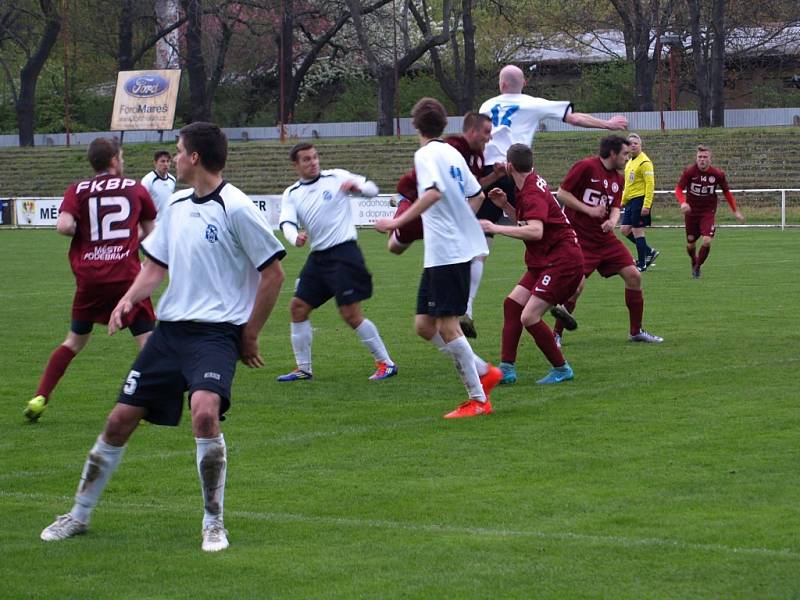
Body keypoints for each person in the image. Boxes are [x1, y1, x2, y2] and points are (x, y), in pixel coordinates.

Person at [39, 122, 286, 552]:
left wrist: (250, 334)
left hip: (215, 334)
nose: (173, 153)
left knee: (204, 412)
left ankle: (214, 522)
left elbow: (274, 273)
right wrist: (128, 300)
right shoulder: (174, 204)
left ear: (194, 157)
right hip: (169, 333)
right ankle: (77, 514)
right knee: (118, 421)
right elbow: (155, 266)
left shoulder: (237, 207)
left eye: (179, 148)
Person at [375, 97, 502, 419]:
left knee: (447, 325)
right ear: (445, 124)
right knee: (424, 325)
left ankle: (478, 399)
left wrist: (396, 222)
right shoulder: (452, 152)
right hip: (443, 252)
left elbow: (432, 192)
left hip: (449, 252)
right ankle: (484, 371)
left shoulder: (427, 154)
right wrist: (459, 222)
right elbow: (477, 195)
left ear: (415, 125)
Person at [478, 64, 628, 333]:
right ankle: (558, 287)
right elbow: (574, 118)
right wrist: (606, 124)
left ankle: (464, 305)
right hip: (518, 171)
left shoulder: (486, 104)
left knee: (481, 241)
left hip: (488, 171)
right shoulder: (531, 103)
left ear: (500, 85)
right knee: (543, 227)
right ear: (523, 82)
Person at [24, 137, 157, 422]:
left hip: (90, 278)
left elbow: (64, 225)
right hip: (126, 277)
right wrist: (127, 242)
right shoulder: (135, 187)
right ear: (113, 160)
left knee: (74, 341)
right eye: (120, 157)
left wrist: (90, 237)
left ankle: (40, 397)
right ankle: (144, 402)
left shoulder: (78, 189)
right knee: (147, 339)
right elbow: (149, 229)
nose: (121, 161)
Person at [277, 143, 397, 382]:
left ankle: (386, 363)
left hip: (345, 254)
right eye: (306, 159)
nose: (313, 162)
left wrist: (358, 187)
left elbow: (372, 189)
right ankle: (303, 369)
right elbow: (286, 223)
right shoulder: (292, 193)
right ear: (296, 165)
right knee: (298, 308)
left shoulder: (337, 177)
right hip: (319, 257)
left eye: (314, 157)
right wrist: (294, 237)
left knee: (350, 313)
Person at [480, 144, 584, 385]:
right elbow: (530, 222)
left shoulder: (531, 191)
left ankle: (562, 369)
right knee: (512, 305)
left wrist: (495, 227)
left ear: (509, 166)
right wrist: (505, 206)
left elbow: (535, 231)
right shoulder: (529, 184)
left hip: (561, 260)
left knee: (529, 317)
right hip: (545, 259)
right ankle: (507, 369)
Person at [385, 112, 496, 338]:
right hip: (417, 202)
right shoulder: (452, 148)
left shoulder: (473, 156)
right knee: (394, 246)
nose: (489, 138)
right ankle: (479, 366)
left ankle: (479, 367)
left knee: (431, 325)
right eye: (486, 132)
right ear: (472, 130)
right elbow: (437, 191)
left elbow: (475, 191)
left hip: (438, 226)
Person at [553, 135, 663, 346]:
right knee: (576, 287)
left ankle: (635, 331)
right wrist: (589, 210)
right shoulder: (586, 166)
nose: (627, 157)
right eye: (624, 153)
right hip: (579, 239)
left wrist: (613, 221)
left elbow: (614, 207)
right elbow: (562, 194)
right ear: (612, 153)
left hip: (604, 239)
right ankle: (556, 334)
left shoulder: (617, 178)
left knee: (634, 276)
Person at [675, 145, 746, 278]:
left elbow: (727, 192)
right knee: (691, 244)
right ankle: (693, 260)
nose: (702, 159)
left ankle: (697, 267)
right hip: (691, 213)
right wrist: (683, 202)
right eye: (700, 157)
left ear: (710, 159)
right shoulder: (690, 172)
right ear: (696, 158)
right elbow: (678, 189)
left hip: (708, 212)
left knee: (707, 240)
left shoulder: (717, 174)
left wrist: (735, 211)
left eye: (705, 157)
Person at [620, 133, 659, 271]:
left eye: (636, 143)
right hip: (630, 201)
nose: (633, 145)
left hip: (640, 200)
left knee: (638, 231)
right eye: (631, 143)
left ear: (641, 145)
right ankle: (649, 251)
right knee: (624, 230)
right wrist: (623, 201)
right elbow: (628, 185)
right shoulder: (629, 162)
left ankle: (642, 264)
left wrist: (647, 205)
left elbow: (650, 184)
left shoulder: (645, 162)